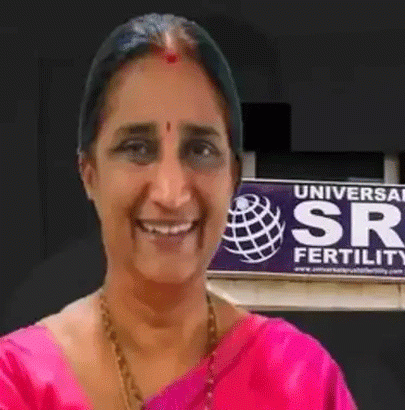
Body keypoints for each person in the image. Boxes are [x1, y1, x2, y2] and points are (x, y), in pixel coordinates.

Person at [0, 13, 356, 410]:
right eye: (137, 148)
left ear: (234, 176)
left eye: (200, 150)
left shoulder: (301, 380)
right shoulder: (21, 380)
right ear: (89, 172)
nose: (171, 193)